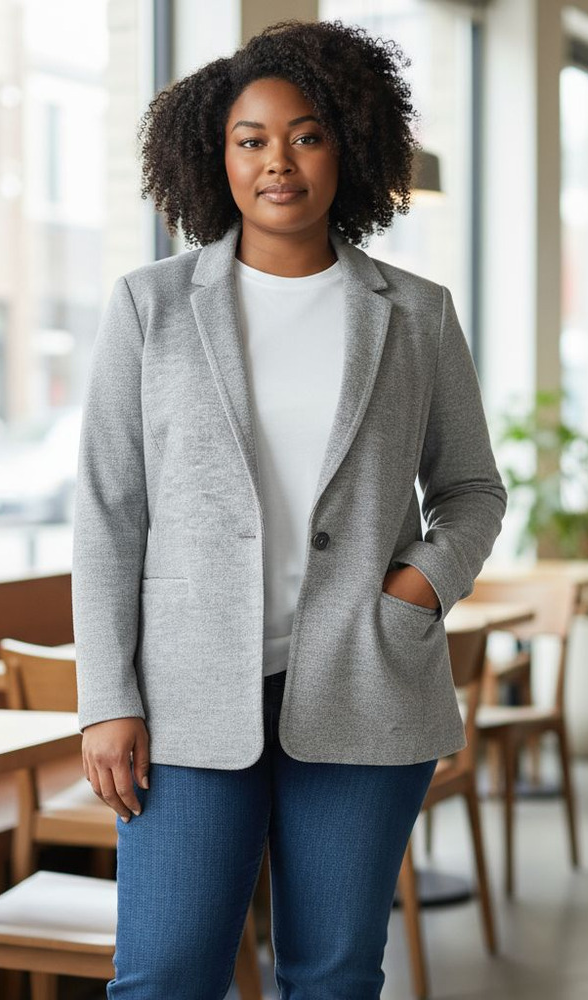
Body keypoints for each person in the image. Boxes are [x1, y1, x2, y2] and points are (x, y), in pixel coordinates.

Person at [72, 18, 507, 999]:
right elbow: (108, 510)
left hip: (364, 684)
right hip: (184, 701)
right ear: (214, 154)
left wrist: (417, 588)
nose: (278, 161)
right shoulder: (150, 306)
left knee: (335, 974)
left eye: (305, 134)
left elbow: (472, 488)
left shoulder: (417, 313)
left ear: (346, 147)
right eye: (251, 138)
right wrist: (107, 697)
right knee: (164, 977)